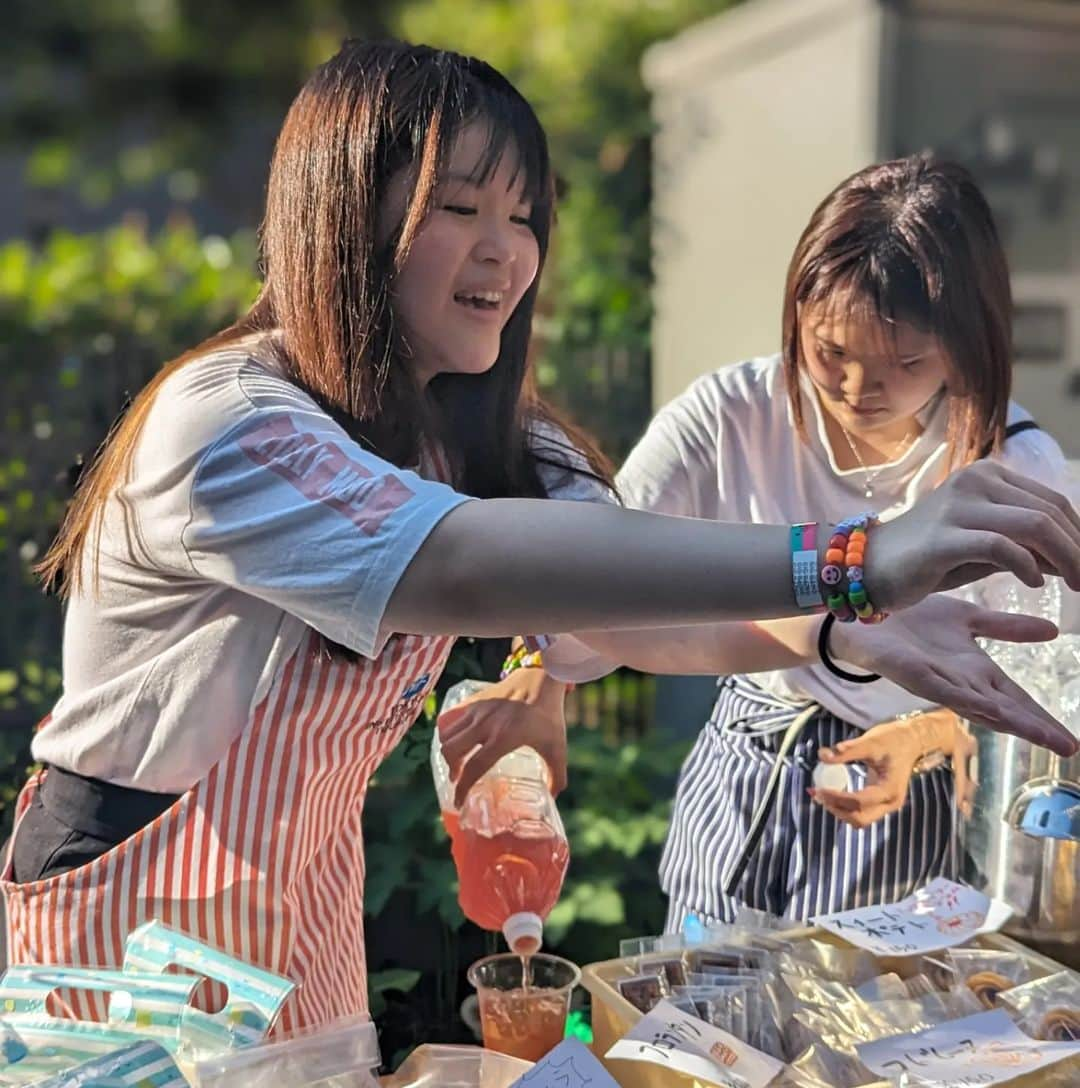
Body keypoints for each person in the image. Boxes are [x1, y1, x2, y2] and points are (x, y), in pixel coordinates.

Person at [7, 43, 1079, 1031]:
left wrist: (837, 634)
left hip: (305, 883)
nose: (505, 254)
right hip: (136, 882)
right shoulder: (232, 423)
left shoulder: (482, 432)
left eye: (524, 218)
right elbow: (458, 563)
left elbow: (615, 595)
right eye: (461, 207)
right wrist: (854, 561)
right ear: (338, 217)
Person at [443, 155, 1080, 930]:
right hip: (747, 762)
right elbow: (600, 562)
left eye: (904, 363)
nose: (854, 390)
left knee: (858, 1027)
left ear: (969, 342)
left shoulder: (1015, 470)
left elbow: (1043, 693)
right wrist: (541, 678)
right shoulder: (730, 412)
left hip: (899, 797)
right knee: (699, 1017)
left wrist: (925, 734)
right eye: (828, 352)